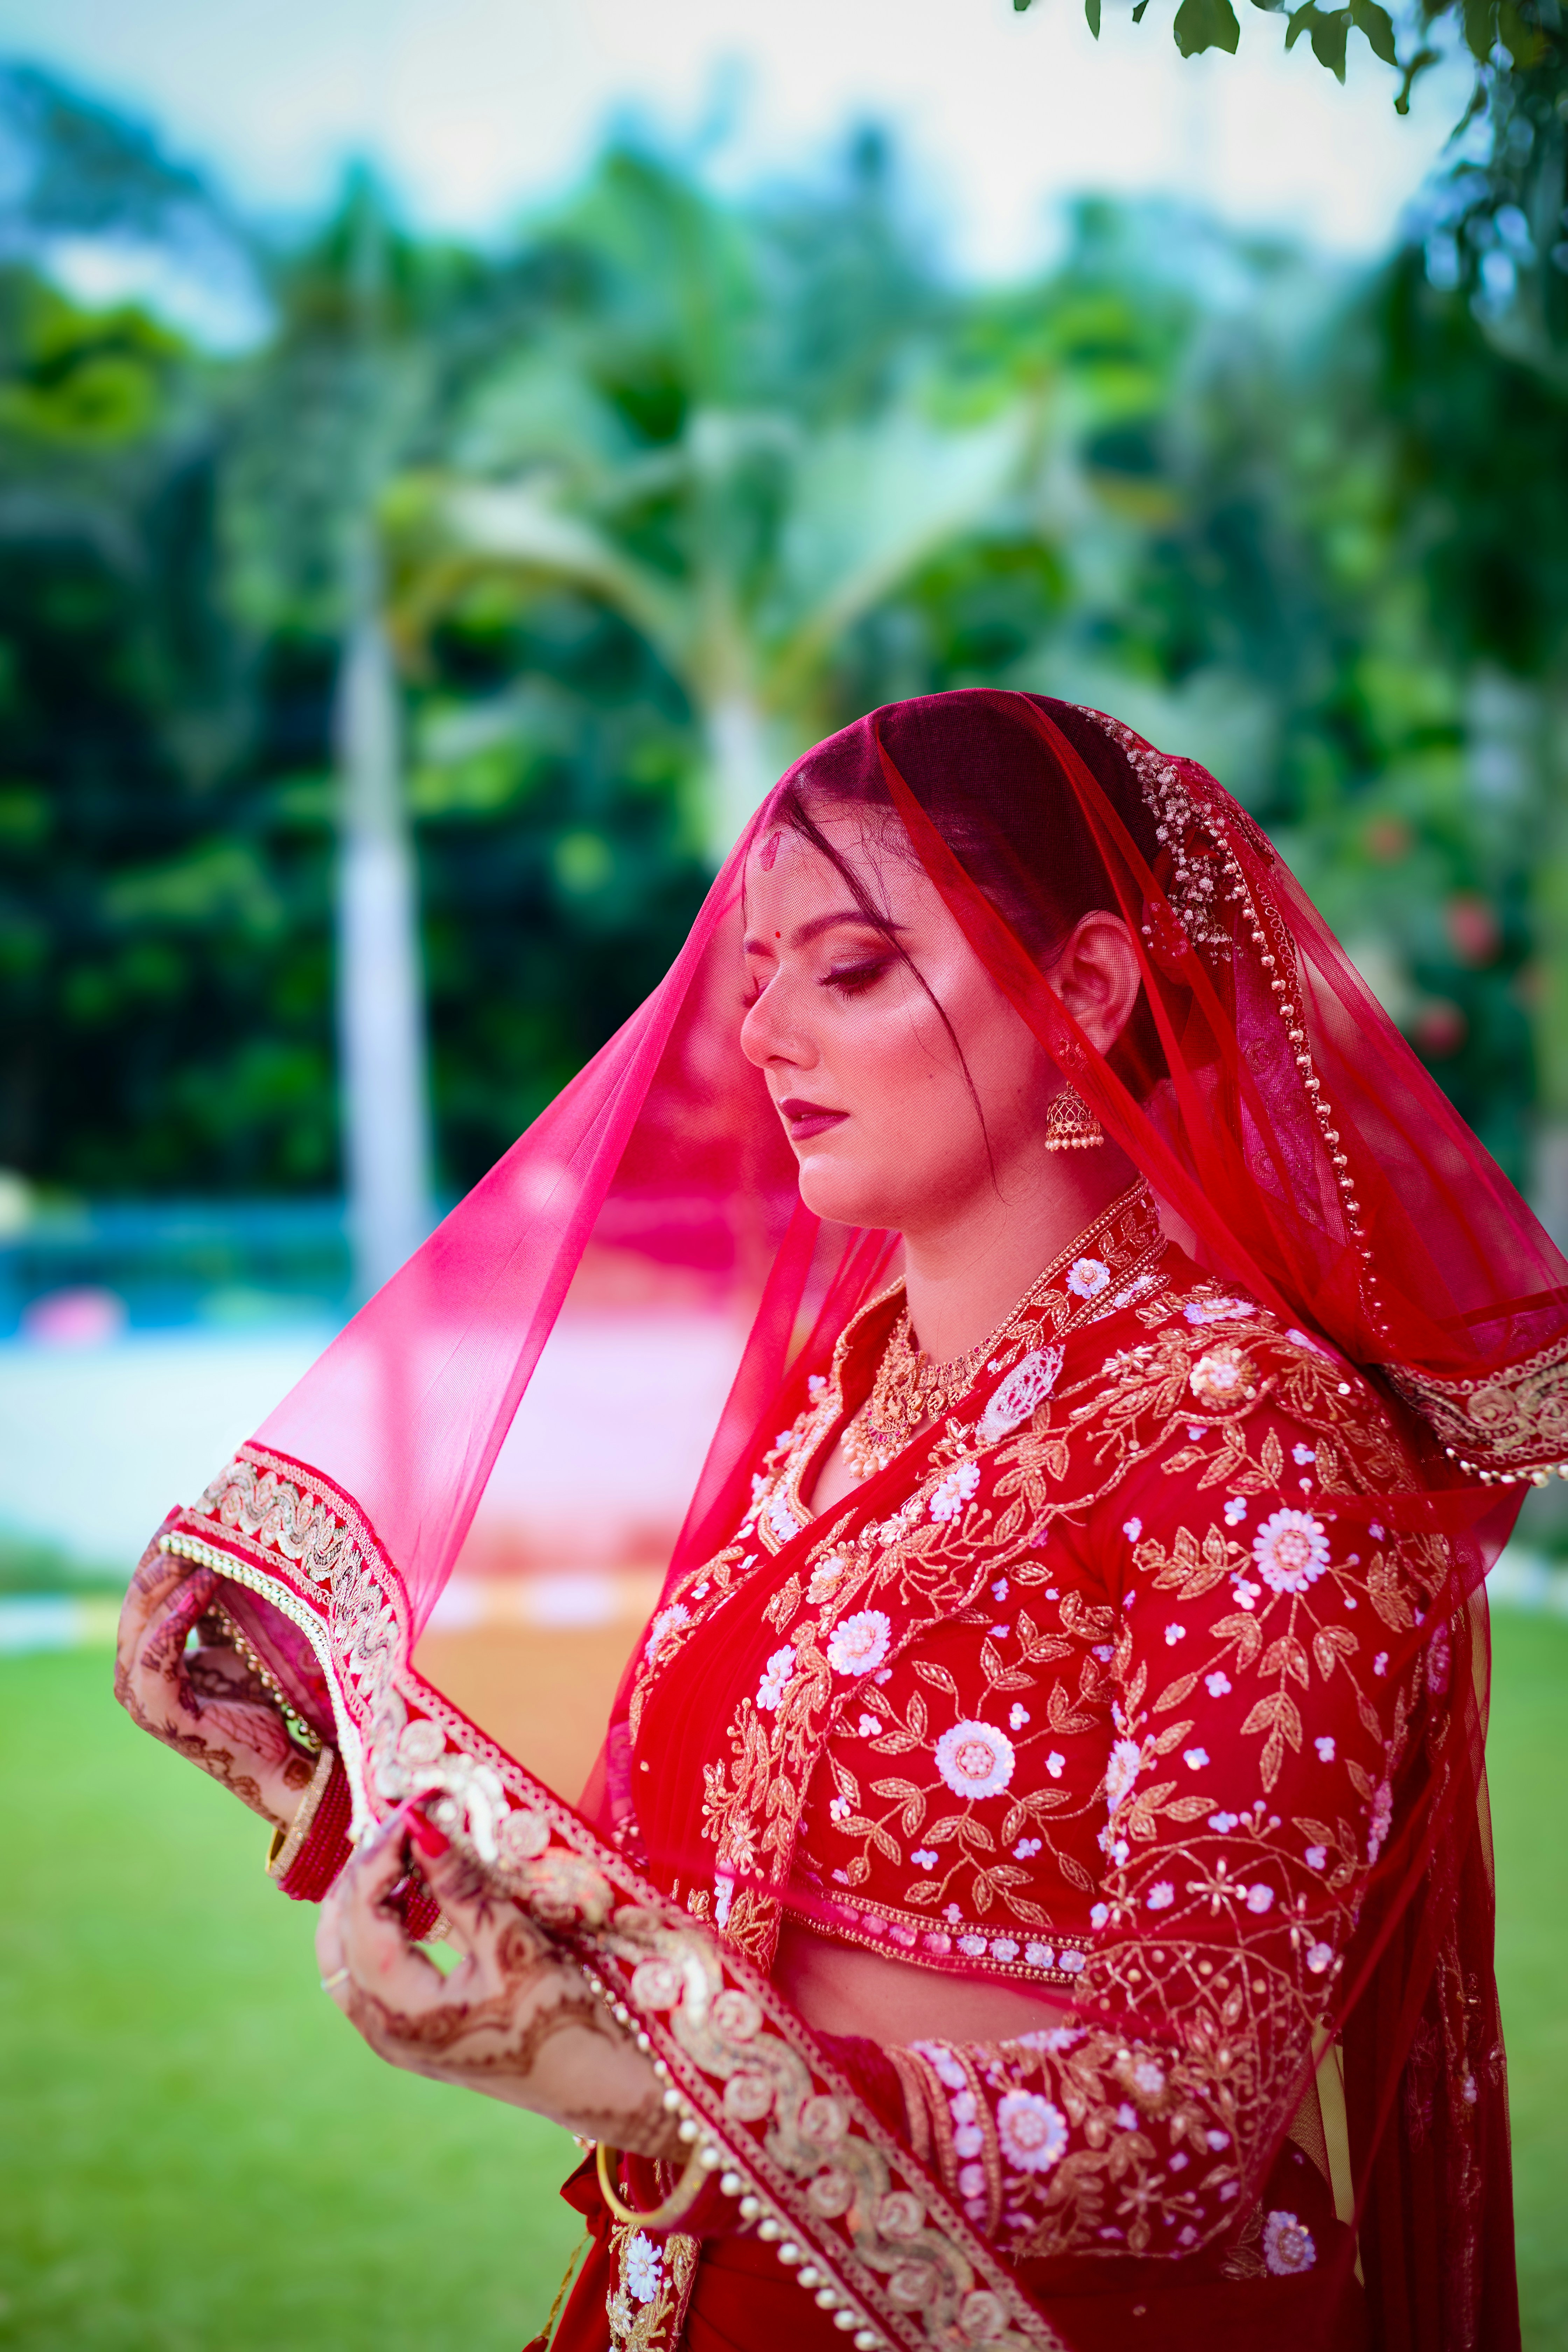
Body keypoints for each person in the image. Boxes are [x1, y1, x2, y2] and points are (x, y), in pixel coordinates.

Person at [117, 691, 1546, 2352]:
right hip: (699, 2295)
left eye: (852, 968)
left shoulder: (1244, 1437)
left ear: (1082, 986)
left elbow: (1193, 2124)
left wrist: (653, 2094)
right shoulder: (857, 1391)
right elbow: (702, 1884)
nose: (765, 1035)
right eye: (756, 978)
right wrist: (290, 1754)